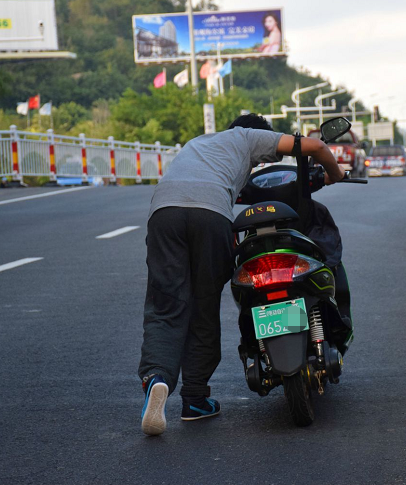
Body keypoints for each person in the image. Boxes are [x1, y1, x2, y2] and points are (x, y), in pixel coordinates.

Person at [139, 114, 344, 436]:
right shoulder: (248, 137)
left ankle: (156, 377)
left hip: (164, 213)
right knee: (203, 306)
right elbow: (315, 146)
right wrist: (335, 174)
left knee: (166, 307)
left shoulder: (199, 144)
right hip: (210, 216)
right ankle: (194, 398)